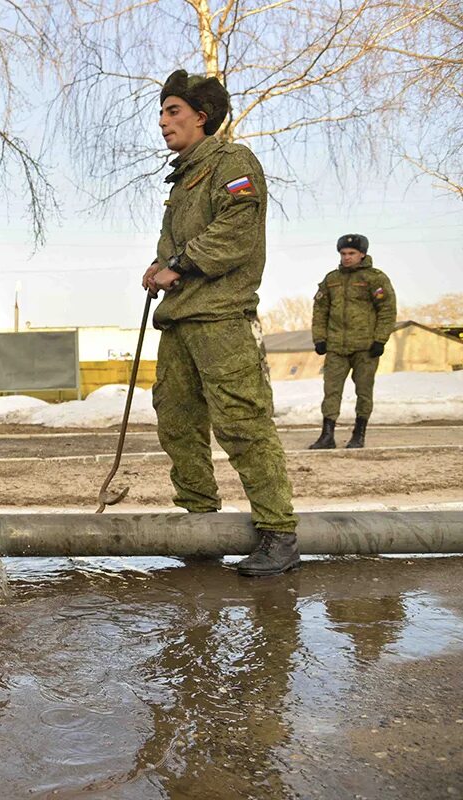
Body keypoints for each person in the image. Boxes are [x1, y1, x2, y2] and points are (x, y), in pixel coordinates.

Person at [143, 70, 299, 577]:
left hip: (221, 318)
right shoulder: (184, 176)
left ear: (202, 118)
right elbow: (181, 245)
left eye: (174, 112)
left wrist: (179, 264)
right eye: (163, 112)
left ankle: (279, 534)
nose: (164, 121)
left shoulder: (232, 162)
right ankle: (199, 527)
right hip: (181, 320)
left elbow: (234, 234)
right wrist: (158, 266)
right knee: (178, 422)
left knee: (242, 422)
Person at [308, 234, 395, 450]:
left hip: (365, 347)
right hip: (336, 346)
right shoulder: (331, 280)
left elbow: (387, 310)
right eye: (343, 253)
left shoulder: (375, 279)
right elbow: (320, 310)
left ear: (362, 254)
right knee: (331, 390)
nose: (346, 257)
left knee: (364, 391)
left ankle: (359, 433)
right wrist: (319, 338)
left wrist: (380, 339)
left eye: (351, 253)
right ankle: (327, 435)